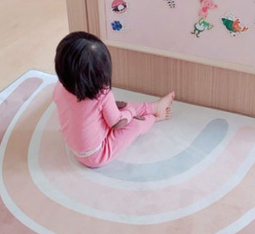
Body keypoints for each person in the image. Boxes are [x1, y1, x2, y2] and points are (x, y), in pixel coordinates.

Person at [53, 31, 175, 168]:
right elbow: (117, 123)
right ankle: (154, 117)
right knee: (134, 124)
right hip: (96, 155)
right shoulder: (101, 93)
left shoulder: (60, 86)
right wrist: (130, 113)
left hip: (74, 144)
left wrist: (123, 109)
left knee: (121, 106)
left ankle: (154, 107)